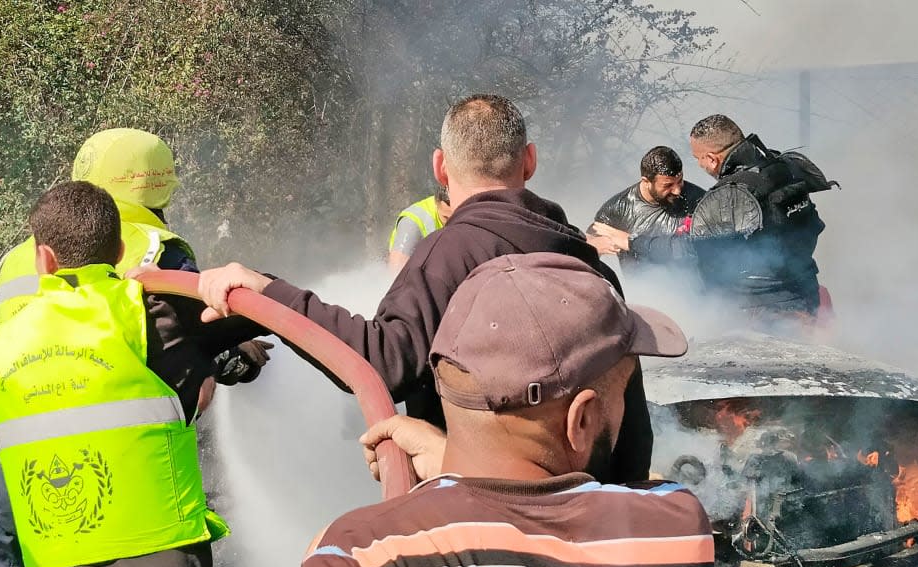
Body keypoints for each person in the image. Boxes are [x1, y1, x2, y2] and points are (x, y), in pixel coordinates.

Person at [198, 93, 657, 482]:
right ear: (530, 161)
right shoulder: (587, 263)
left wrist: (269, 292)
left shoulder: (450, 252)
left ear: (440, 167)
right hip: (589, 513)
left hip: (482, 515)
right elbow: (631, 421)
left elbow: (381, 361)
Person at [298, 252, 714, 567]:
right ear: (581, 422)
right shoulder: (673, 527)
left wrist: (450, 470)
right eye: (623, 395)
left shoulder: (354, 562)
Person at [0, 130, 270, 567]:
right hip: (139, 522)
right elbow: (187, 344)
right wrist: (233, 352)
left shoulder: (19, 259)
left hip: (28, 466)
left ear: (45, 259)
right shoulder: (157, 250)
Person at [633, 115, 837, 319]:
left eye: (698, 159)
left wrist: (633, 243)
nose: (700, 165)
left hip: (762, 310)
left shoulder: (731, 194)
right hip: (807, 291)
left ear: (712, 159)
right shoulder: (783, 166)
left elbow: (688, 250)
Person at [585, 145, 705, 265]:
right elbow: (587, 245)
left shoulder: (698, 200)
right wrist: (594, 247)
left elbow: (706, 248)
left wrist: (629, 241)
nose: (677, 191)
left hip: (688, 278)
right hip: (642, 282)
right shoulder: (619, 208)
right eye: (668, 185)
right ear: (646, 181)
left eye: (680, 181)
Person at [387, 187, 452, 273]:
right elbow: (396, 271)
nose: (453, 221)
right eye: (446, 217)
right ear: (437, 203)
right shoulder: (412, 222)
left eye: (458, 215)